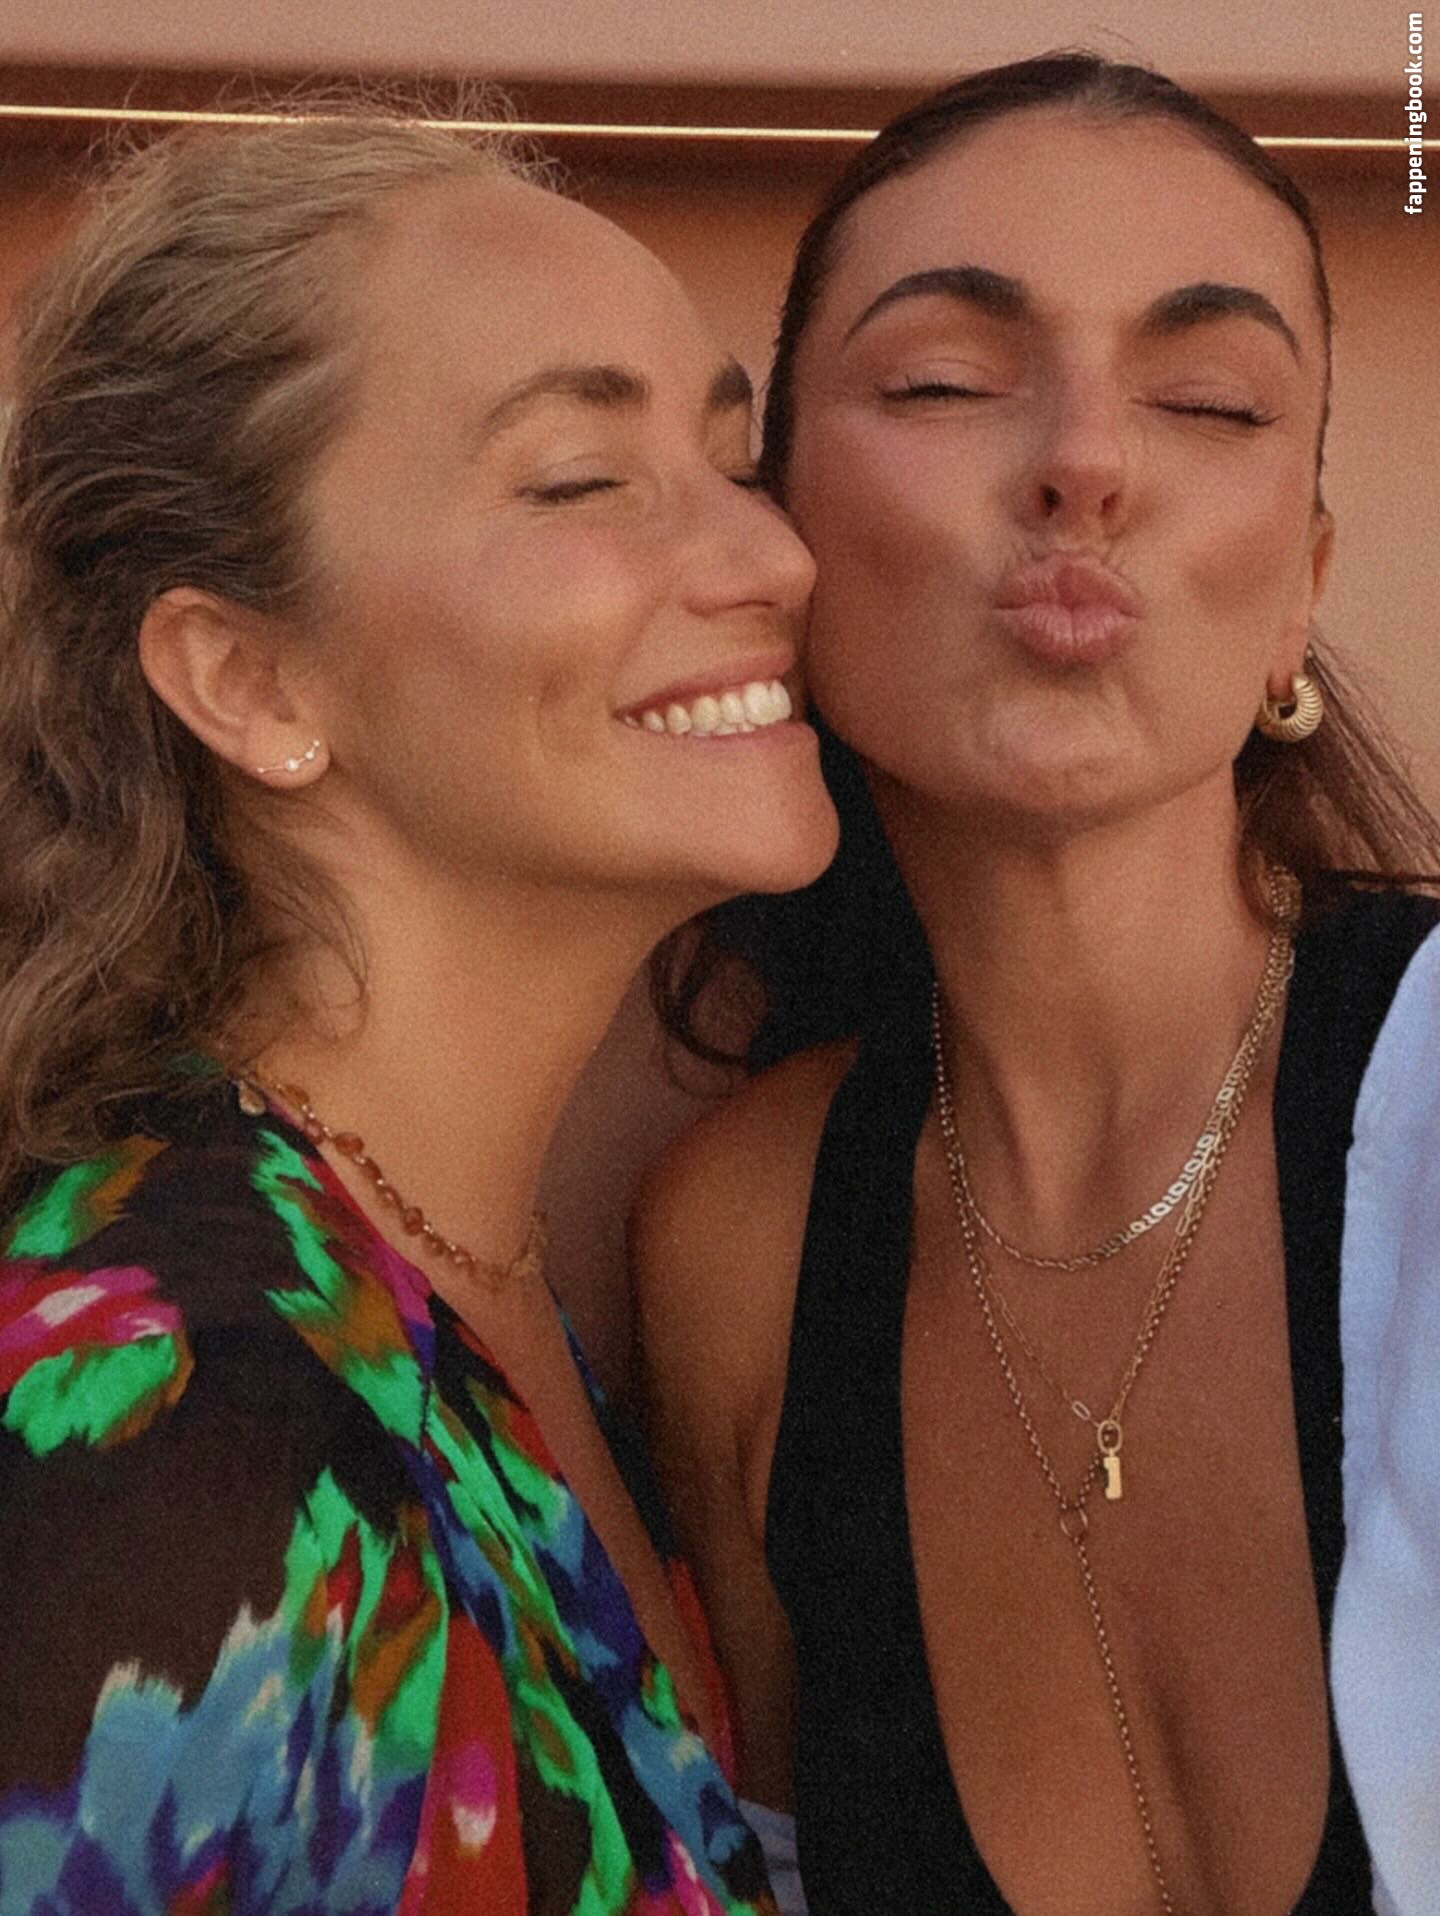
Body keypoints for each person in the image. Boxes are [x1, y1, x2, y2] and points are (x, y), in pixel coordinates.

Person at [0, 102, 838, 1912]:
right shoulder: (167, 1427)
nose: (774, 559)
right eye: (580, 479)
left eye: (732, 458)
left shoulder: (473, 1278)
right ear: (248, 676)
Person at [634, 54, 1440, 1916]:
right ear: (778, 535)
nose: (1088, 460)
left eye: (1207, 398)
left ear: (1298, 590)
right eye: (942, 382)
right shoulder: (743, 1248)